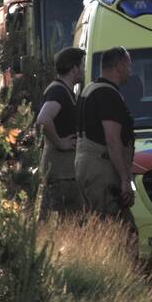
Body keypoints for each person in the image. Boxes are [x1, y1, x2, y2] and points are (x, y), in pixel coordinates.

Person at [74, 46, 136, 221]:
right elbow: (112, 139)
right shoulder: (108, 94)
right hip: (102, 169)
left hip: (85, 165)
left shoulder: (89, 90)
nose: (130, 72)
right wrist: (125, 180)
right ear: (119, 66)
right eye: (129, 66)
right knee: (118, 229)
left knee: (98, 225)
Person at [35, 46, 85, 215]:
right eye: (82, 65)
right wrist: (61, 143)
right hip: (59, 175)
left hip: (67, 174)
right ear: (74, 69)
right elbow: (43, 119)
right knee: (60, 227)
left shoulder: (66, 91)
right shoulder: (58, 91)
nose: (84, 69)